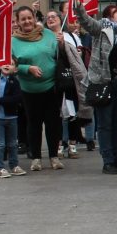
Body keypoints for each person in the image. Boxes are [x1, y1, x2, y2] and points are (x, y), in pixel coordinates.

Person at [73, 0, 117, 175]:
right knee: (105, 123)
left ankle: (116, 158)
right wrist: (78, 5)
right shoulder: (102, 28)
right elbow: (87, 22)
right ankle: (107, 160)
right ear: (110, 17)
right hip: (103, 82)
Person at [12, 5, 65, 172]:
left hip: (51, 87)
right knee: (33, 124)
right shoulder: (13, 41)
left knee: (53, 123)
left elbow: (59, 55)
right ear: (18, 22)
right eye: (23, 19)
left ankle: (54, 157)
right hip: (29, 90)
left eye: (29, 18)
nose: (27, 21)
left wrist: (62, 44)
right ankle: (36, 158)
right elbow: (10, 66)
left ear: (35, 18)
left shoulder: (48, 34)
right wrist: (27, 68)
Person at [45, 9, 90, 158]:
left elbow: (78, 56)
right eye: (48, 17)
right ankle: (58, 145)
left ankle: (72, 145)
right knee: (55, 115)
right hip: (52, 80)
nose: (51, 19)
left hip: (69, 80)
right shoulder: (43, 37)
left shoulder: (71, 36)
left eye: (54, 16)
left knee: (72, 113)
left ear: (60, 19)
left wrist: (64, 45)